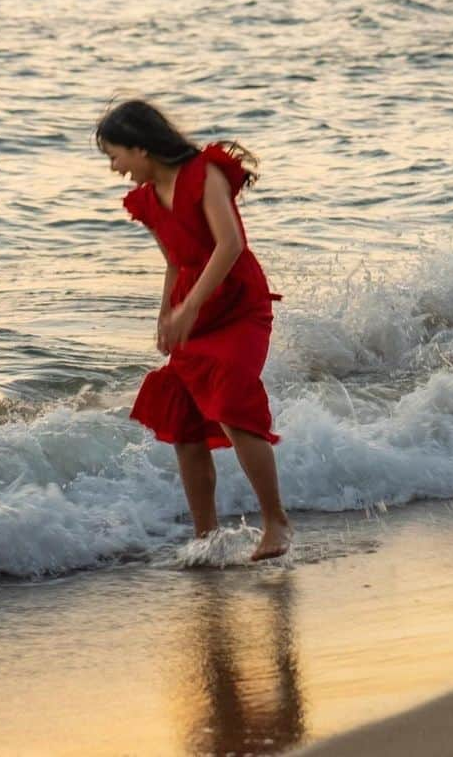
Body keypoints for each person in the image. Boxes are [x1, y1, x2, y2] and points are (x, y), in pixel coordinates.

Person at [96, 99, 291, 561]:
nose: (114, 168)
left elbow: (230, 245)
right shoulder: (145, 201)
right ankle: (207, 540)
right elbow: (174, 262)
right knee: (184, 423)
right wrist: (166, 314)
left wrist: (190, 307)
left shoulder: (206, 174)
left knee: (231, 404)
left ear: (141, 148)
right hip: (193, 312)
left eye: (115, 155)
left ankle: (276, 522)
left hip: (238, 307)